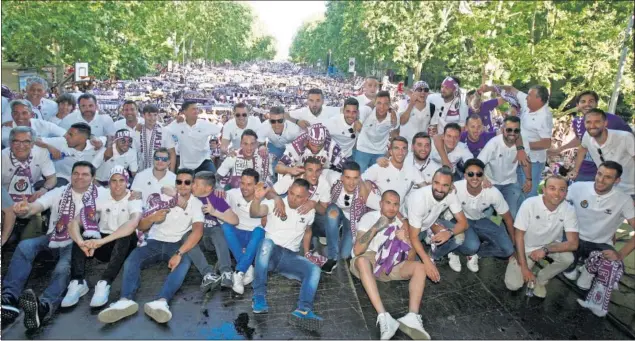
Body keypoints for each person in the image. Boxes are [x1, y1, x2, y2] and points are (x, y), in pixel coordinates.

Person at [97, 169, 204, 324]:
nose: (182, 185)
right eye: (179, 182)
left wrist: (179, 253)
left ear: (193, 185)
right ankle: (125, 300)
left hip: (176, 244)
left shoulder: (196, 204)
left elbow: (198, 232)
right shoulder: (161, 198)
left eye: (187, 182)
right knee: (132, 260)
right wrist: (152, 218)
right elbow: (141, 226)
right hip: (154, 241)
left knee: (184, 263)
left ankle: (162, 302)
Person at [1, 161, 98, 331]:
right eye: (76, 173)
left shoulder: (101, 195)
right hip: (52, 238)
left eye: (85, 174)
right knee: (25, 246)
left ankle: (43, 307)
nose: (79, 177)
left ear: (93, 178)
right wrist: (26, 209)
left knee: (62, 268)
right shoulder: (60, 191)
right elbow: (38, 205)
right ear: (71, 175)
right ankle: (8, 299)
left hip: (76, 243)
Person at [352, 191, 430, 340]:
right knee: (362, 261)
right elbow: (357, 251)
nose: (392, 207)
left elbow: (410, 258)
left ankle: (412, 317)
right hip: (367, 258)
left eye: (395, 204)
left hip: (389, 264)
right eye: (388, 202)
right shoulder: (369, 217)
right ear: (381, 203)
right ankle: (384, 317)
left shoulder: (400, 224)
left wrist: (405, 241)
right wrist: (376, 227)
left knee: (419, 267)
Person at [62, 166, 142, 308]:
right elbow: (75, 221)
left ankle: (105, 282)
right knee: (85, 231)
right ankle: (77, 281)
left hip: (124, 245)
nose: (117, 185)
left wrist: (100, 241)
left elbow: (133, 223)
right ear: (108, 183)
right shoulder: (100, 197)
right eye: (113, 181)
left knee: (126, 234)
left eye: (121, 180)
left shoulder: (134, 198)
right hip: (103, 243)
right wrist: (81, 242)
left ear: (127, 182)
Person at [249, 178, 324, 331]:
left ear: (306, 198)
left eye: (298, 196)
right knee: (266, 243)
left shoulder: (309, 211)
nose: (293, 198)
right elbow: (255, 212)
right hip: (270, 254)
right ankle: (259, 296)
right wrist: (256, 199)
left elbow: (308, 231)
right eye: (291, 193)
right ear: (288, 190)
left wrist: (307, 253)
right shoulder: (275, 204)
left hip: (290, 257)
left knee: (315, 269)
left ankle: (303, 310)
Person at [563, 161, 634, 290]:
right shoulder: (578, 187)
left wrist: (620, 254)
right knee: (569, 273)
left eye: (608, 177)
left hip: (600, 244)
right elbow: (557, 206)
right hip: (574, 239)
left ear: (617, 180)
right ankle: (573, 264)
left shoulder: (624, 199)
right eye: (599, 174)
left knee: (587, 282)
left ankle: (589, 268)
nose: (601, 180)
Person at [504, 175, 579, 298]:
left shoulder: (569, 209)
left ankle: (541, 279)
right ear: (543, 190)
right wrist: (524, 268)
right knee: (513, 285)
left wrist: (545, 249)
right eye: (552, 188)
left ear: (566, 192)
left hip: (549, 246)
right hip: (526, 247)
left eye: (562, 189)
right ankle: (518, 260)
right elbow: (519, 237)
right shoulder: (529, 204)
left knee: (568, 258)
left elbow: (573, 244)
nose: (557, 193)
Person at [548, 91, 632, 182]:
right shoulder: (578, 122)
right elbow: (580, 141)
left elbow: (630, 138)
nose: (587, 104)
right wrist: (559, 150)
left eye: (591, 101)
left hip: (612, 171)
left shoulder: (614, 120)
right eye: (583, 101)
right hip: (586, 168)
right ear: (578, 105)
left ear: (596, 103)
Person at [407, 166, 477, 272]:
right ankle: (427, 252)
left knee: (460, 238)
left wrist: (449, 232)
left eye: (445, 185)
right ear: (431, 182)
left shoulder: (450, 194)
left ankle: (433, 255)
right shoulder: (419, 198)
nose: (439, 189)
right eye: (436, 183)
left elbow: (464, 223)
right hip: (411, 227)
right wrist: (427, 263)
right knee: (410, 263)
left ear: (450, 187)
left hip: (431, 222)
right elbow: (413, 236)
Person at [453, 159, 515, 272]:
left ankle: (474, 254)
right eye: (470, 174)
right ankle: (453, 251)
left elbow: (508, 219)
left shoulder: (492, 192)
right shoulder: (456, 188)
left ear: (483, 176)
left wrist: (515, 245)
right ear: (465, 175)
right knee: (471, 245)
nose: (475, 177)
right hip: (463, 220)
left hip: (484, 218)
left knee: (508, 250)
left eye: (479, 174)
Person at [319, 161, 380, 273]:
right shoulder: (334, 178)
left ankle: (339, 236)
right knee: (332, 213)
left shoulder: (364, 193)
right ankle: (332, 258)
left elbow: (383, 206)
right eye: (347, 177)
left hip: (352, 219)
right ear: (342, 177)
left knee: (344, 254)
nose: (351, 183)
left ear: (359, 178)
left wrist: (403, 221)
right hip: (336, 209)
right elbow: (319, 170)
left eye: (355, 178)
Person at [1, 127, 57, 242]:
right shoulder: (2, 157)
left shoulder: (41, 153)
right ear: (10, 143)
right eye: (16, 141)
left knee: (28, 240)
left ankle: (41, 226)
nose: (21, 145)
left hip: (32, 197)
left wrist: (43, 190)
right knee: (10, 239)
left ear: (32, 143)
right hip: (6, 200)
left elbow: (52, 178)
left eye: (26, 141)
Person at [497, 84, 553, 198]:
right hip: (519, 158)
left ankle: (530, 215)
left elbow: (547, 143)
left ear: (538, 99)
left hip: (533, 161)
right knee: (517, 192)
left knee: (528, 193)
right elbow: (512, 89)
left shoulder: (544, 116)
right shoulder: (528, 103)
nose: (526, 97)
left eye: (530, 96)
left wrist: (522, 145)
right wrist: (494, 87)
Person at [189, 171, 239, 292]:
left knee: (217, 230)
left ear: (208, 188)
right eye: (193, 183)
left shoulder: (215, 199)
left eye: (196, 184)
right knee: (187, 237)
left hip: (211, 240)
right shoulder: (189, 197)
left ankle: (226, 272)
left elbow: (235, 220)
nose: (192, 186)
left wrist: (214, 212)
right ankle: (208, 274)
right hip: (196, 239)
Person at [569, 108, 634, 197]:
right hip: (607, 190)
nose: (592, 125)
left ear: (605, 123)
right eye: (588, 122)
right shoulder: (587, 136)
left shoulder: (625, 137)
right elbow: (582, 148)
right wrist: (575, 170)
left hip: (629, 191)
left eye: (597, 122)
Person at [222, 168, 267, 294]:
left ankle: (239, 271)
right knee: (226, 226)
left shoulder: (264, 198)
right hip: (237, 237)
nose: (244, 187)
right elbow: (216, 196)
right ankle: (247, 268)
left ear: (256, 185)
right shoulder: (233, 194)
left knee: (260, 231)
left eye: (249, 184)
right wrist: (219, 189)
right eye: (242, 183)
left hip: (255, 238)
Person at [478, 116, 532, 219]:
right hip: (491, 183)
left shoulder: (523, 143)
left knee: (512, 214)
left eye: (516, 130)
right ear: (503, 130)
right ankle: (499, 226)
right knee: (489, 215)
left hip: (510, 183)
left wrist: (529, 179)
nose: (512, 133)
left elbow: (526, 161)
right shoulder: (493, 144)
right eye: (509, 130)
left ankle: (507, 228)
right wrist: (483, 178)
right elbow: (478, 163)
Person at [362, 136, 424, 214]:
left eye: (403, 148)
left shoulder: (411, 169)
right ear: (390, 151)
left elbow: (425, 187)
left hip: (399, 214)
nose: (400, 152)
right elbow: (361, 181)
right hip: (378, 212)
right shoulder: (380, 166)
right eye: (396, 148)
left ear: (407, 152)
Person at [35, 123, 105, 183]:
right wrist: (49, 146)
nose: (66, 136)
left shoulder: (95, 144)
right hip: (59, 179)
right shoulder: (62, 142)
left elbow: (110, 140)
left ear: (82, 138)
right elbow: (33, 139)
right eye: (67, 133)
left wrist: (95, 138)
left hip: (82, 182)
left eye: (70, 134)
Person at [166, 101, 221, 173]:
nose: (196, 111)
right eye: (193, 109)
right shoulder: (178, 124)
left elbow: (221, 130)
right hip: (185, 166)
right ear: (184, 112)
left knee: (214, 180)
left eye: (197, 109)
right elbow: (163, 132)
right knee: (178, 183)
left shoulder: (204, 124)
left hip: (204, 163)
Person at [354, 91, 399, 173]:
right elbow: (356, 115)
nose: (382, 107)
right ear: (374, 103)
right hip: (363, 149)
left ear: (389, 105)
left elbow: (395, 134)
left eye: (385, 104)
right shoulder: (366, 110)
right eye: (379, 103)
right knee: (359, 176)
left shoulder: (393, 116)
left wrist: (389, 153)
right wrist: (357, 121)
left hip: (380, 152)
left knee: (377, 179)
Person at [277, 123, 345, 175]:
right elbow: (278, 167)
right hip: (299, 174)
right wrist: (289, 170)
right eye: (313, 145)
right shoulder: (298, 145)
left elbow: (346, 165)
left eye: (320, 146)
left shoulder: (330, 144)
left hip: (320, 174)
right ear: (307, 140)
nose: (316, 149)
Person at [1, 99, 67, 147]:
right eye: (15, 113)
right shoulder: (6, 130)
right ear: (12, 115)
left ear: (32, 115)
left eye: (24, 113)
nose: (20, 117)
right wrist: (42, 144)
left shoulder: (42, 124)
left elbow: (66, 136)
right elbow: (19, 148)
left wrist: (43, 141)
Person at [256, 106, 302, 171]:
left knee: (294, 166)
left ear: (284, 119)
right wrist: (262, 147)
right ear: (269, 120)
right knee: (269, 166)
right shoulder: (263, 127)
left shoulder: (295, 129)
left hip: (292, 147)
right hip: (274, 146)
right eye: (273, 121)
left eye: (280, 121)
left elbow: (301, 143)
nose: (276, 124)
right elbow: (260, 141)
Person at [134, 104, 177, 172]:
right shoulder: (137, 131)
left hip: (161, 172)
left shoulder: (165, 131)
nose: (152, 118)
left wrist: (171, 173)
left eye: (155, 115)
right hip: (141, 172)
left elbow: (172, 152)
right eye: (149, 115)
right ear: (143, 115)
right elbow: (132, 152)